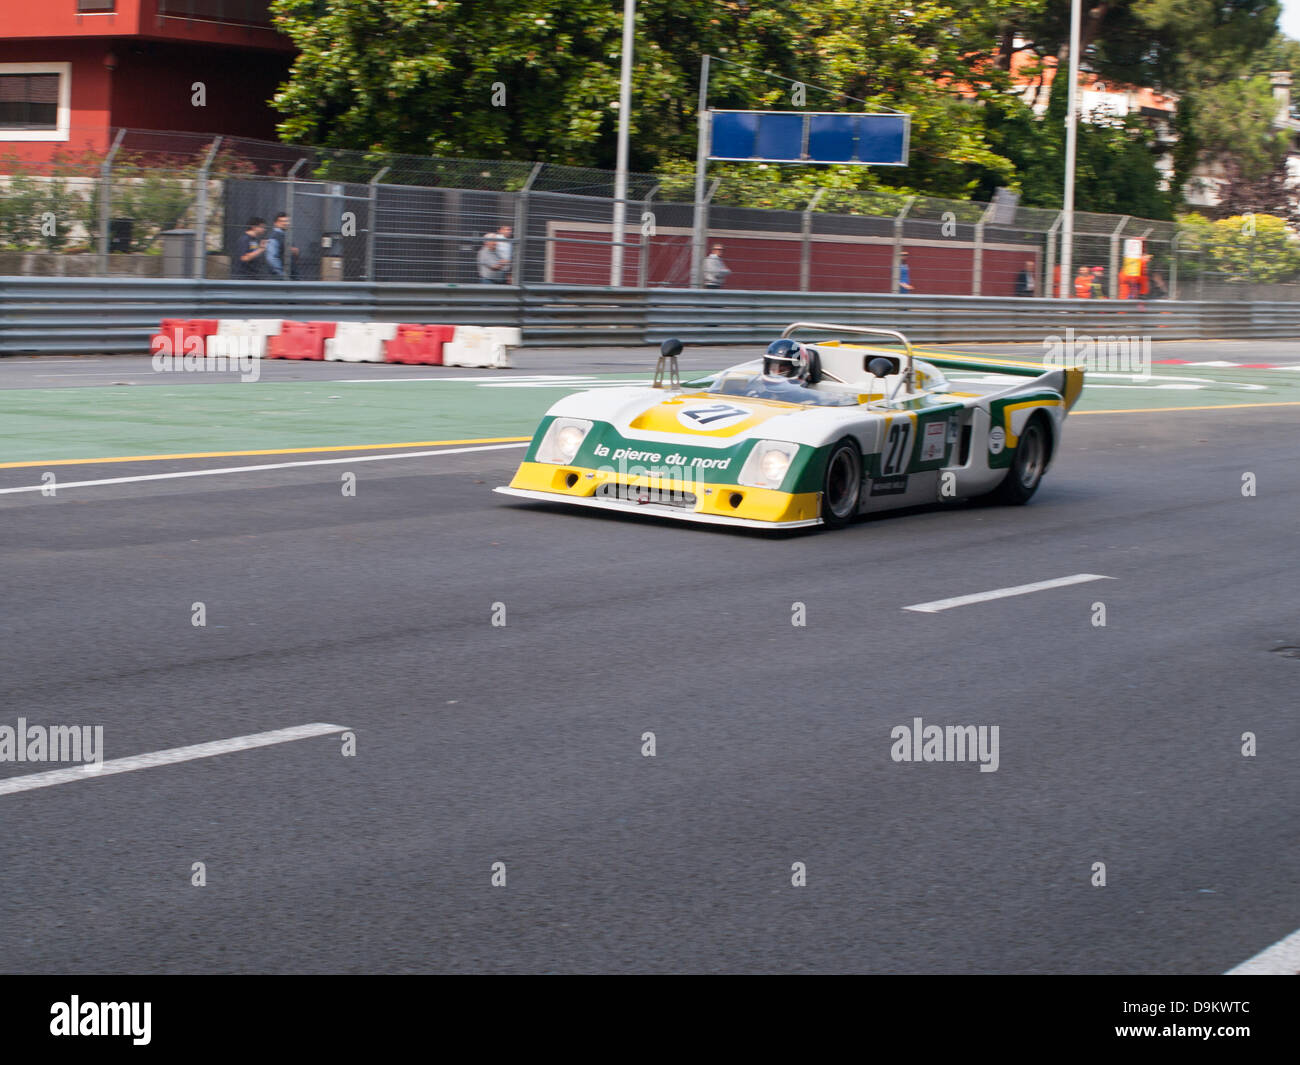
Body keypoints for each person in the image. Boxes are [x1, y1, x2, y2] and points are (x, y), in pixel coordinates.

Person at [265, 212, 299, 280]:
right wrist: (282, 275)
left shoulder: (284, 236)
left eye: (287, 221)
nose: (285, 223)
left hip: (289, 276)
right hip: (280, 278)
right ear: (275, 223)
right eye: (282, 221)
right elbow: (271, 258)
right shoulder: (274, 237)